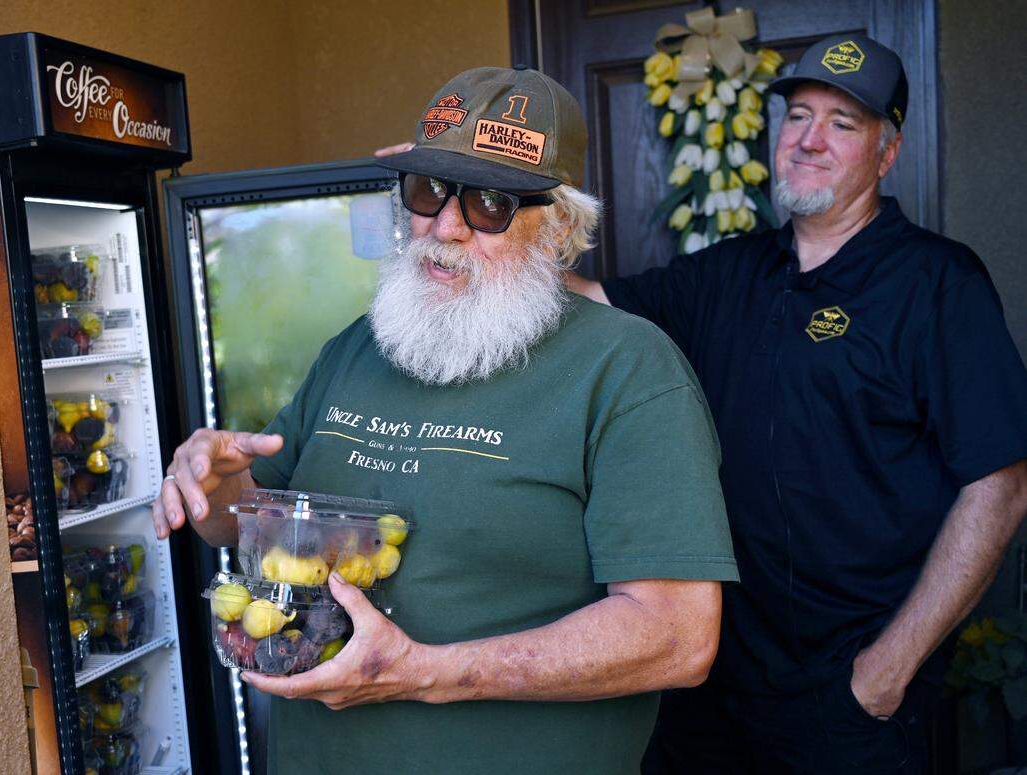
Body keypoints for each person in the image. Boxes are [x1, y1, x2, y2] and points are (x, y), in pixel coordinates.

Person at [155, 65, 739, 774]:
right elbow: (243, 520)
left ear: (557, 229)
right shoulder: (359, 345)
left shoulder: (631, 369)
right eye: (428, 192)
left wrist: (423, 671)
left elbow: (676, 636)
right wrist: (215, 486)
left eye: (490, 203)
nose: (446, 227)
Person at [557, 34, 1027, 773]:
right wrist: (484, 227)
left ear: (888, 150)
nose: (809, 140)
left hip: (847, 700)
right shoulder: (732, 272)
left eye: (842, 124)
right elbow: (591, 301)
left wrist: (886, 671)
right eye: (798, 116)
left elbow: (999, 485)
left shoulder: (939, 285)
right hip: (709, 685)